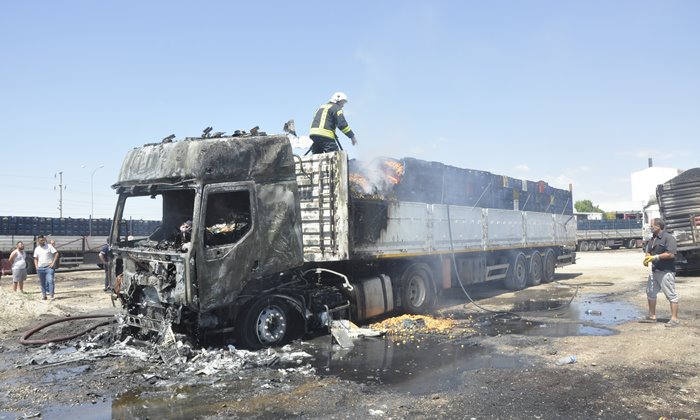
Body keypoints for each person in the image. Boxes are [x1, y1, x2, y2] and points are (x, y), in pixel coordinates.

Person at [643, 218, 679, 327]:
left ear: (658, 226)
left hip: (665, 272)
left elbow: (671, 254)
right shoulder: (652, 239)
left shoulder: (668, 238)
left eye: (652, 225)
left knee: (671, 295)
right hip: (654, 272)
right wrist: (647, 258)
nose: (650, 227)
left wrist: (655, 257)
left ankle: (674, 319)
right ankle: (652, 316)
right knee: (650, 293)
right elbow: (648, 251)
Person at [33, 235, 59, 301]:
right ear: (38, 241)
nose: (42, 241)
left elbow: (56, 254)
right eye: (40, 240)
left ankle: (52, 296)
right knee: (42, 283)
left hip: (49, 268)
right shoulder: (37, 249)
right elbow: (35, 258)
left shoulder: (49, 246)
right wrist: (36, 267)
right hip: (40, 268)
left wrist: (53, 263)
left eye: (43, 240)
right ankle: (44, 295)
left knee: (50, 281)